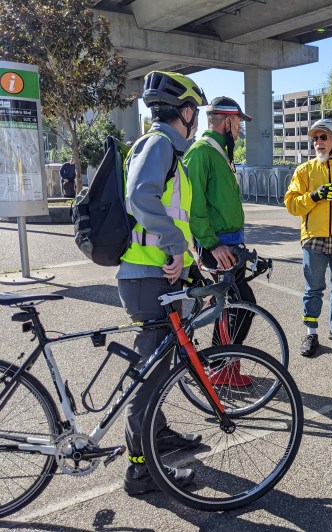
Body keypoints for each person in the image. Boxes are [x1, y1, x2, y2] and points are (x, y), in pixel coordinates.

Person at [118, 70, 207, 496]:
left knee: (160, 368)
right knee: (148, 377)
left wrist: (189, 257)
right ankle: (140, 470)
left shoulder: (167, 150)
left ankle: (160, 434)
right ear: (185, 111)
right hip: (149, 275)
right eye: (197, 114)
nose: (198, 122)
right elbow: (139, 196)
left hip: (159, 273)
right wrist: (174, 246)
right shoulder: (159, 145)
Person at [183, 96, 254, 387]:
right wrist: (211, 245)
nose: (239, 130)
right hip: (218, 245)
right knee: (238, 304)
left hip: (228, 242)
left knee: (230, 306)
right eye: (238, 123)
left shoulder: (219, 152)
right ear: (227, 121)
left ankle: (225, 367)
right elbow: (193, 205)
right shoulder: (202, 152)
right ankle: (220, 368)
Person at [284, 118, 332, 357]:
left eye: (323, 137)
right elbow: (292, 205)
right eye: (315, 138)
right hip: (314, 239)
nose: (318, 142)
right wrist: (314, 196)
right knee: (314, 288)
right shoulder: (304, 170)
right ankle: (311, 332)